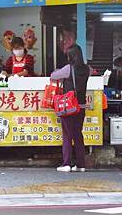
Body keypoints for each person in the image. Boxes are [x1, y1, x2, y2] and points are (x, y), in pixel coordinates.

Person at [50, 44, 90, 172]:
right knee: (78, 134)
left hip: (69, 107)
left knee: (67, 135)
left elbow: (53, 76)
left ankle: (66, 164)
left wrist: (58, 70)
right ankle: (81, 165)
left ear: (70, 56)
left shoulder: (68, 68)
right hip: (81, 106)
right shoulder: (87, 69)